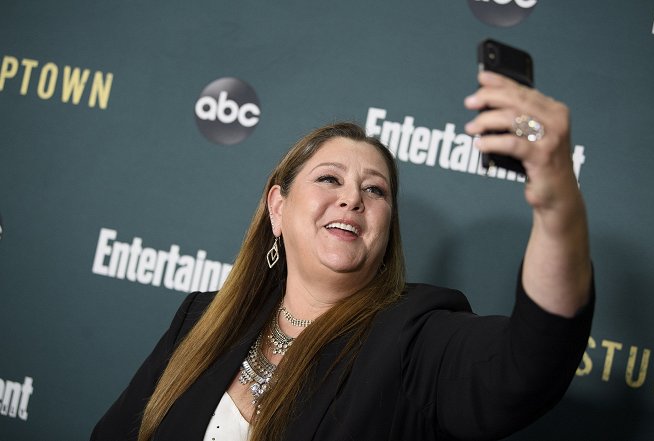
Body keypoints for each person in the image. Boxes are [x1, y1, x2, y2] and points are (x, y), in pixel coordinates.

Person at [91, 71, 594, 441]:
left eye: (374, 190)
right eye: (329, 178)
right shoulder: (198, 320)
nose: (352, 199)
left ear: (385, 227)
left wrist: (556, 203)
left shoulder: (414, 340)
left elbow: (527, 363)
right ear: (277, 207)